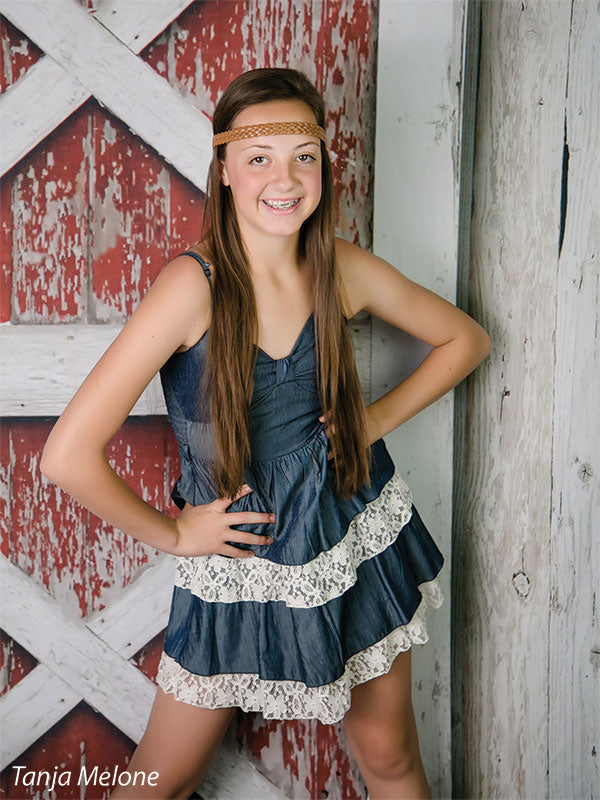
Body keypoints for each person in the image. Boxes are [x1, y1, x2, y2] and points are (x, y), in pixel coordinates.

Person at [41, 67, 490, 800]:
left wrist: (372, 419)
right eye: (259, 158)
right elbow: (66, 456)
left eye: (303, 156)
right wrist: (176, 533)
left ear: (323, 166)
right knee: (162, 780)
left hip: (349, 538)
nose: (285, 179)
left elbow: (465, 340)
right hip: (240, 557)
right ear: (223, 170)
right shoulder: (192, 288)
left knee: (389, 759)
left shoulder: (339, 269)